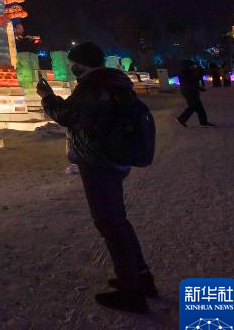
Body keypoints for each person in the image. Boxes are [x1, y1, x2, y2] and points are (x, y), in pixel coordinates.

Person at [37, 42, 155, 313]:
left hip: (99, 161)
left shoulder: (92, 87)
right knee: (118, 221)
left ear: (81, 64)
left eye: (73, 63)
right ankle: (140, 276)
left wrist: (47, 96)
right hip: (115, 157)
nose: (71, 67)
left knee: (110, 223)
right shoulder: (113, 82)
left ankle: (131, 291)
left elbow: (66, 115)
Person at [176, 60, 213, 127]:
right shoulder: (186, 73)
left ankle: (203, 122)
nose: (193, 67)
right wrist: (199, 75)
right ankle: (181, 119)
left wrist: (199, 88)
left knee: (199, 107)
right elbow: (192, 82)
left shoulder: (186, 72)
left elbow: (192, 82)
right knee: (193, 107)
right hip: (190, 93)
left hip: (190, 92)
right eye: (192, 66)